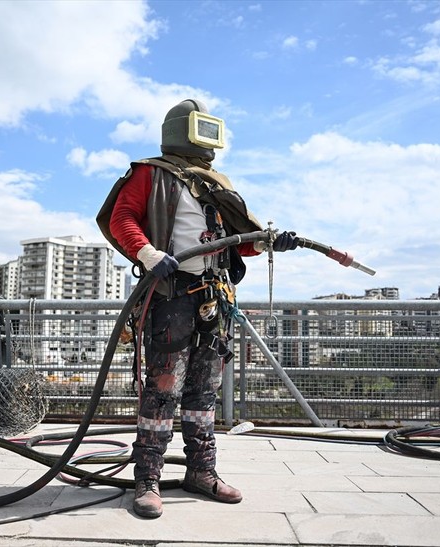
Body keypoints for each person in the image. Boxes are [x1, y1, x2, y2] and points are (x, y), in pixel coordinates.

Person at [97, 99, 298, 518]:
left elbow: (237, 239)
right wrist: (149, 255)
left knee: (203, 391)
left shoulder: (215, 184)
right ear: (184, 131)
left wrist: (265, 241)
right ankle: (147, 478)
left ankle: (202, 472)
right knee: (163, 388)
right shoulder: (150, 173)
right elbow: (122, 218)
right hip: (172, 293)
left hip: (215, 297)